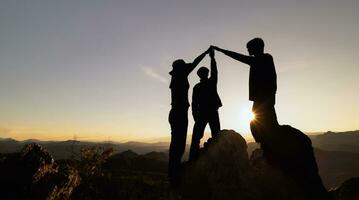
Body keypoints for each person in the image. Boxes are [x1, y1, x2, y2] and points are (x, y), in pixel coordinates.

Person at [211, 38, 278, 143]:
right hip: (263, 98)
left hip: (264, 99)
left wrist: (221, 50)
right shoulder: (260, 59)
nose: (247, 50)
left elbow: (238, 57)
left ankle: (268, 145)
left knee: (261, 123)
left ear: (256, 47)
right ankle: (267, 145)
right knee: (262, 123)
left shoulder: (263, 58)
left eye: (249, 48)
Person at [168, 49, 209, 185]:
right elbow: (195, 63)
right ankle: (174, 176)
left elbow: (192, 64)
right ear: (181, 69)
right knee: (178, 145)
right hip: (179, 113)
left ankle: (173, 174)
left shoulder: (176, 77)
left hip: (177, 112)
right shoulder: (180, 76)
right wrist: (205, 53)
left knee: (176, 144)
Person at [189, 48, 222, 161]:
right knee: (213, 135)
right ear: (201, 74)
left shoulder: (204, 85)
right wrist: (212, 58)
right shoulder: (202, 85)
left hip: (207, 112)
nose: (205, 74)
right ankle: (194, 158)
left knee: (213, 135)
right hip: (206, 112)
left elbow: (214, 71)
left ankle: (194, 158)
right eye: (204, 73)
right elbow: (194, 103)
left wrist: (212, 59)